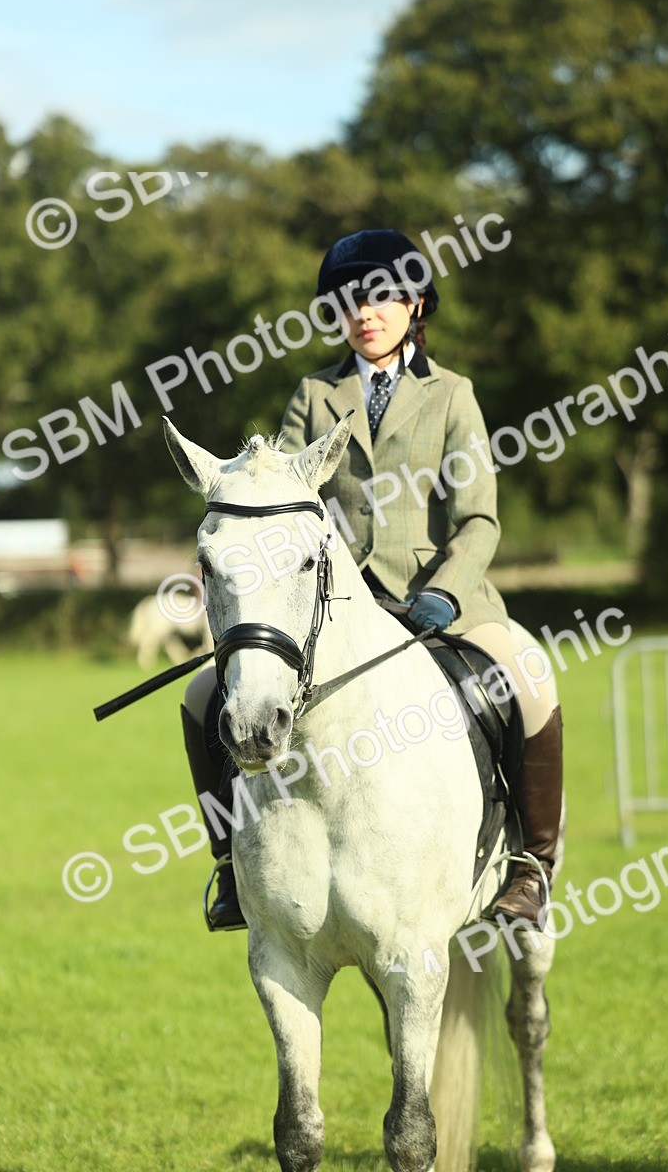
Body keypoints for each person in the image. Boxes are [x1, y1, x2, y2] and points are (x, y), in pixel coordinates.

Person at [181, 229, 562, 929]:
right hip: (340, 609)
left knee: (528, 677)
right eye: (351, 299)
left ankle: (530, 867)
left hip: (442, 601)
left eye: (382, 296)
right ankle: (233, 865)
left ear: (416, 303)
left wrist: (444, 592)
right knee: (203, 692)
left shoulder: (453, 395)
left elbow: (479, 520)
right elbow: (284, 503)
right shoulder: (314, 395)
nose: (366, 311)